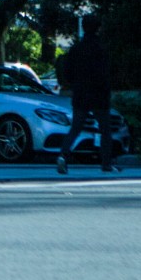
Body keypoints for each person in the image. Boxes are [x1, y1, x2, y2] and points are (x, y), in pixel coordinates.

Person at [54, 20, 116, 174]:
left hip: (81, 93)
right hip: (99, 94)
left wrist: (74, 84)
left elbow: (67, 70)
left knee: (75, 127)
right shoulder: (101, 48)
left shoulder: (76, 49)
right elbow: (108, 72)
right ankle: (106, 163)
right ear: (98, 29)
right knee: (105, 130)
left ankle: (63, 155)